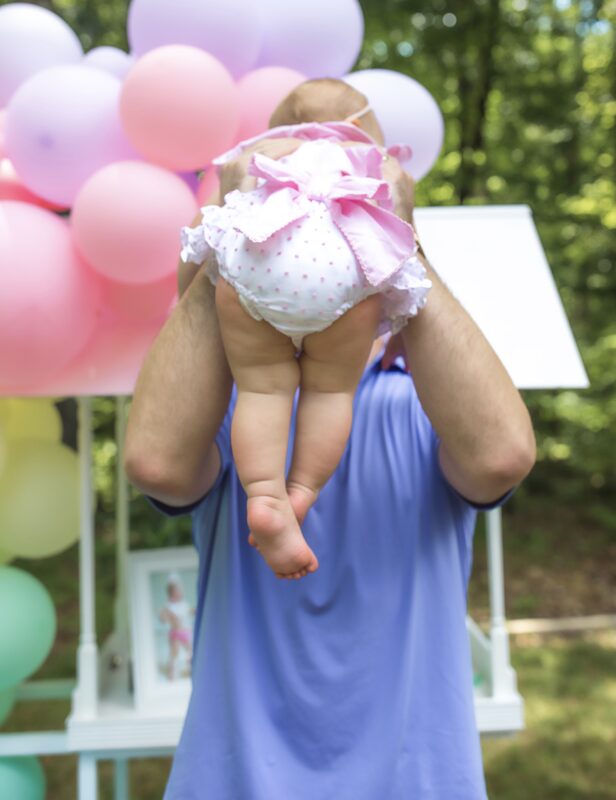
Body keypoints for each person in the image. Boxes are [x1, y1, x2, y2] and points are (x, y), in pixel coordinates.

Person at [124, 78, 536, 799]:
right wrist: (239, 227)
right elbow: (157, 462)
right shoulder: (231, 414)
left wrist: (390, 234)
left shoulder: (422, 409)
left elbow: (500, 455)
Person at [178, 81, 432, 580]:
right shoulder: (370, 157)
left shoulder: (260, 155)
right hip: (342, 265)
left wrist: (198, 283)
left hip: (259, 254)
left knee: (262, 387)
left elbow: (200, 244)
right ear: (357, 124)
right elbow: (399, 241)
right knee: (332, 390)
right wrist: (399, 324)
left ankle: (265, 495)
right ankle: (301, 492)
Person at [158, 573, 194, 681]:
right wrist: (167, 617)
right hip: (175, 633)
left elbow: (190, 611)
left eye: (179, 591)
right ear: (170, 594)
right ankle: (172, 672)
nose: (178, 594)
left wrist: (194, 611)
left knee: (190, 650)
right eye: (175, 592)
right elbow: (163, 616)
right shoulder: (169, 606)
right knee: (174, 652)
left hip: (186, 632)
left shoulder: (184, 604)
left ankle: (189, 669)